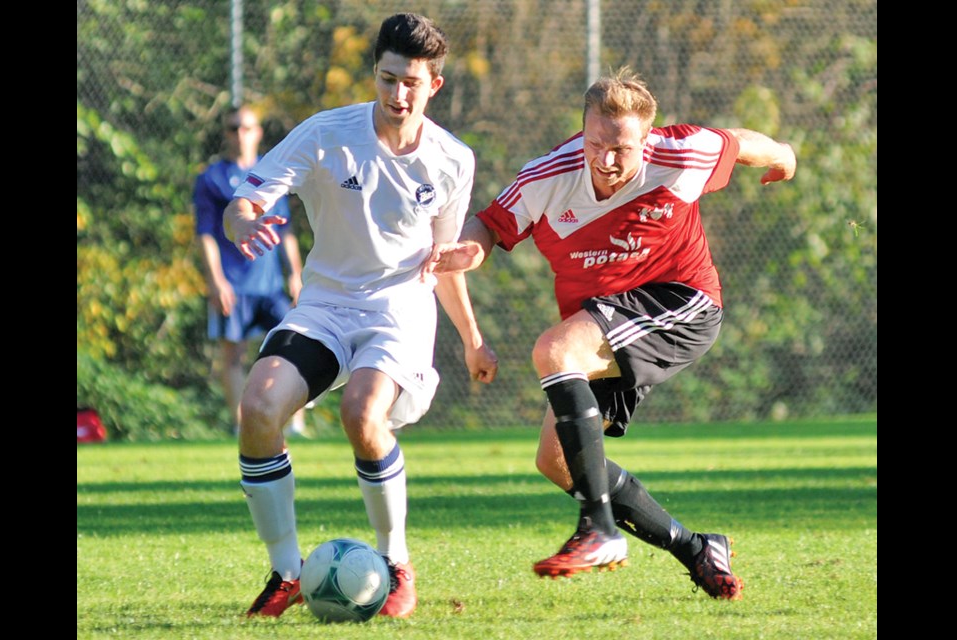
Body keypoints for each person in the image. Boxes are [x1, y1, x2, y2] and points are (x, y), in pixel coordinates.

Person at [427, 67, 796, 600]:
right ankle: (697, 548)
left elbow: (739, 143)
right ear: (583, 130)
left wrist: (785, 154)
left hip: (682, 302)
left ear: (648, 140)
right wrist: (471, 248)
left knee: (554, 350)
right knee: (556, 460)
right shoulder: (548, 177)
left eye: (622, 148)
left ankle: (598, 528)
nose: (606, 159)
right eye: (596, 142)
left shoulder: (682, 153)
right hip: (606, 320)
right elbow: (489, 224)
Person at [224, 13, 498, 619]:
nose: (398, 95)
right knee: (259, 407)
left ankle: (397, 561)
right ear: (375, 74)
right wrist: (243, 221)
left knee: (362, 414)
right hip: (324, 306)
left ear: (435, 87)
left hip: (398, 312)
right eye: (387, 78)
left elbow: (442, 262)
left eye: (412, 83)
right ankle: (286, 571)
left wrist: (473, 340)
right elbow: (246, 199)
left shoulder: (452, 160)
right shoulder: (327, 133)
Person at [193, 106, 306, 437]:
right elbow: (206, 234)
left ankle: (295, 422)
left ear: (258, 132)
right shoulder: (212, 178)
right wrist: (216, 280)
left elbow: (285, 231)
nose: (239, 134)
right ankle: (242, 424)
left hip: (270, 285)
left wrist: (295, 273)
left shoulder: (272, 174)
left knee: (293, 346)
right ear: (226, 134)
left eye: (246, 127)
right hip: (234, 284)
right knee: (233, 355)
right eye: (232, 128)